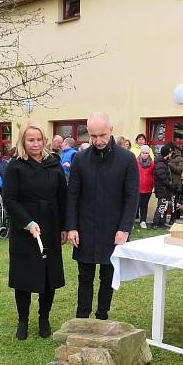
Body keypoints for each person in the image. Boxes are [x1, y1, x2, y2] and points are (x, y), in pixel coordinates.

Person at [67, 112, 139, 320]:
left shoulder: (127, 159)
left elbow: (131, 196)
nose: (98, 141)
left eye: (102, 135)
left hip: (114, 228)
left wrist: (124, 229)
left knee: (108, 276)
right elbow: (73, 195)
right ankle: (81, 318)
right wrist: (71, 226)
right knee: (85, 277)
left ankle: (102, 316)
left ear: (111, 130)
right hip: (85, 227)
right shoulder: (80, 159)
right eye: (93, 136)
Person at [2, 122, 68, 339]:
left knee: (49, 275)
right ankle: (23, 320)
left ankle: (44, 317)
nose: (36, 144)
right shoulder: (15, 166)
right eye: (31, 140)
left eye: (39, 139)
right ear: (23, 141)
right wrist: (27, 222)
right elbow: (9, 198)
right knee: (24, 275)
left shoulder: (54, 163)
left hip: (50, 224)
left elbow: (62, 197)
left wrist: (64, 226)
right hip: (25, 228)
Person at [151, 144, 173, 228]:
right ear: (167, 154)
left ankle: (161, 223)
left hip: (164, 189)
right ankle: (156, 223)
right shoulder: (160, 163)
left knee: (163, 206)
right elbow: (162, 177)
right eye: (170, 153)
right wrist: (170, 185)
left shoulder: (164, 163)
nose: (171, 155)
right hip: (162, 189)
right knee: (161, 206)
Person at [166, 143, 183, 221]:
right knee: (165, 203)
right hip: (166, 183)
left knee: (174, 204)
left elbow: (179, 170)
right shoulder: (166, 157)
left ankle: (173, 219)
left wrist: (170, 165)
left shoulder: (180, 159)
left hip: (175, 184)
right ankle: (163, 219)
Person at [136, 144, 155, 228]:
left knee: (144, 205)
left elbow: (154, 175)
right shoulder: (136, 162)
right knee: (136, 205)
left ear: (149, 154)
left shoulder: (152, 163)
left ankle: (143, 221)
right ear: (140, 153)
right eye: (143, 153)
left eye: (146, 153)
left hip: (148, 187)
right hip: (137, 187)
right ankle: (132, 221)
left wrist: (154, 186)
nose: (144, 154)